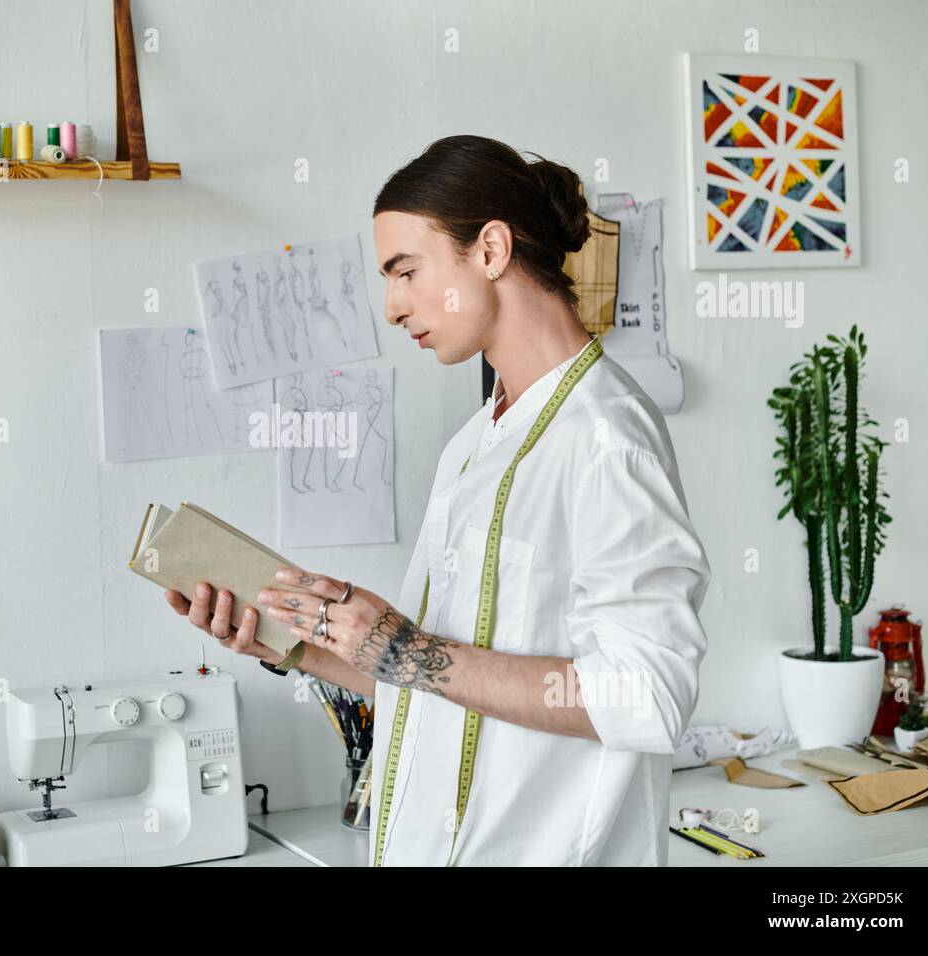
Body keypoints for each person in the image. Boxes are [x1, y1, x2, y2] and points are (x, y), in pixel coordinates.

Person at [164, 135, 711, 866]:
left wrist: (407, 647)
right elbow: (435, 679)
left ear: (489, 250)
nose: (392, 307)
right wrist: (298, 646)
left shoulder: (608, 435)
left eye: (406, 272)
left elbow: (648, 695)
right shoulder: (471, 445)